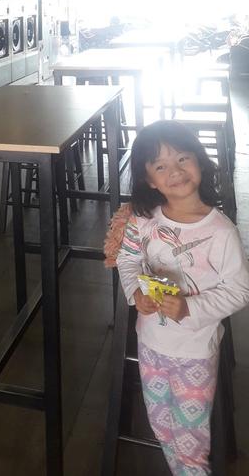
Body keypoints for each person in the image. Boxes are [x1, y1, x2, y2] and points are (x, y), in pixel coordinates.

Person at [111, 120, 249, 475]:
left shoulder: (221, 232)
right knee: (162, 430)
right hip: (150, 344)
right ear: (149, 180)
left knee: (190, 445)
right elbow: (127, 258)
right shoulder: (143, 221)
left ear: (200, 162)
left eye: (183, 159)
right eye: (161, 166)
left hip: (194, 354)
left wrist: (191, 307)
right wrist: (135, 292)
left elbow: (240, 289)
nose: (174, 171)